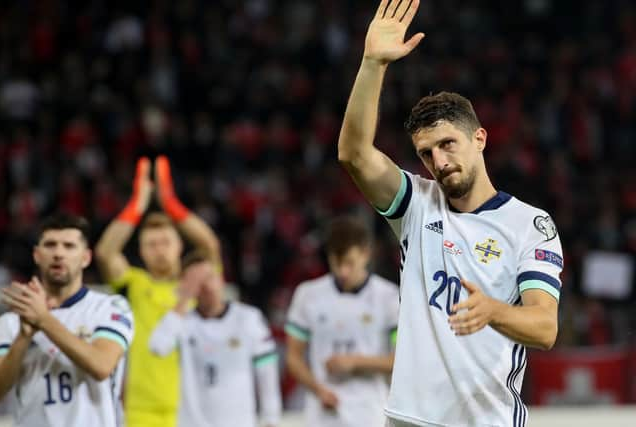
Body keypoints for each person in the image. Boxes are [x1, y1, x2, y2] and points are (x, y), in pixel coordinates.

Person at [337, 1, 564, 426]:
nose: (438, 162)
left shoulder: (531, 225)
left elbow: (545, 328)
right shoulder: (416, 205)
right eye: (426, 153)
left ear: (479, 138)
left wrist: (494, 311)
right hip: (408, 418)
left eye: (447, 144)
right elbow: (353, 154)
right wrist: (372, 64)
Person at [95, 156, 220, 427]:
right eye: (151, 244)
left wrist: (171, 205)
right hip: (142, 410)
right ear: (140, 251)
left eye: (165, 241)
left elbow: (210, 245)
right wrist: (137, 204)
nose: (159, 248)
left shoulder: (196, 283)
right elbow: (106, 253)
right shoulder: (135, 284)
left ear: (179, 246)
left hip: (194, 408)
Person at [0, 214, 134, 427]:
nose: (59, 253)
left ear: (86, 258)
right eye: (50, 245)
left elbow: (101, 365)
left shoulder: (109, 308)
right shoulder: (12, 322)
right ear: (37, 255)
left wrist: (43, 320)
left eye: (69, 246)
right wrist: (23, 338)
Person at [285, 215, 400, 427]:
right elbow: (293, 357)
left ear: (366, 254)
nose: (343, 272)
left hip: (370, 413)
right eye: (336, 263)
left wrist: (355, 362)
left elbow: (401, 360)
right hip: (321, 414)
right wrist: (318, 389)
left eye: (349, 263)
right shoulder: (307, 295)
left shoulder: (389, 298)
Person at [149, 250, 282, 427]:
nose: (207, 286)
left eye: (210, 277)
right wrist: (183, 300)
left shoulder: (248, 318)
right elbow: (157, 346)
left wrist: (271, 419)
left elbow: (267, 372)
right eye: (198, 282)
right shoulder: (183, 322)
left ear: (221, 279)